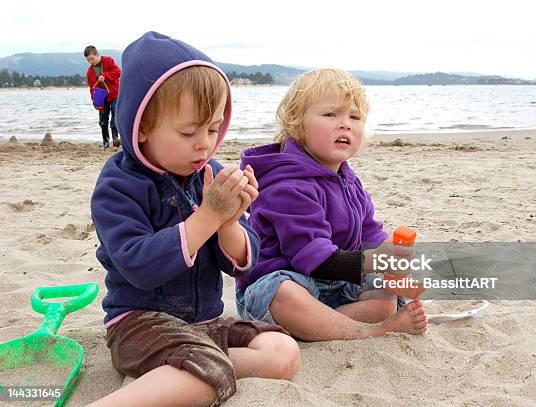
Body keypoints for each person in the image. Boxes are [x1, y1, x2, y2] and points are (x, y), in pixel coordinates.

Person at [89, 32, 300, 407]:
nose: (204, 143)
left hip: (202, 325)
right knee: (210, 375)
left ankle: (172, 374)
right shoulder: (119, 185)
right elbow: (140, 265)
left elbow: (243, 262)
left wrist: (230, 222)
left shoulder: (209, 172)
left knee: (284, 351)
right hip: (139, 324)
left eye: (213, 129)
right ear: (141, 127)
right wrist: (208, 216)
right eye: (188, 132)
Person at [236, 69, 427, 341]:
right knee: (283, 292)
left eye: (354, 117)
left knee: (386, 292)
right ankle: (369, 330)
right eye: (330, 114)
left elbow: (369, 233)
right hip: (286, 285)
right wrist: (373, 260)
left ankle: (322, 324)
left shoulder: (346, 177)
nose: (345, 124)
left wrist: (390, 257)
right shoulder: (287, 185)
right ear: (296, 124)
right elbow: (316, 260)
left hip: (333, 287)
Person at [85, 45, 121, 148]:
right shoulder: (89, 71)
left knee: (115, 115)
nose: (91, 61)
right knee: (103, 120)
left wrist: (105, 75)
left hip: (114, 94)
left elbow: (118, 72)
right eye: (88, 60)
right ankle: (105, 141)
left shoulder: (109, 60)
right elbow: (92, 88)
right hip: (101, 96)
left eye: (92, 58)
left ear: (97, 54)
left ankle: (115, 138)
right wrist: (95, 101)